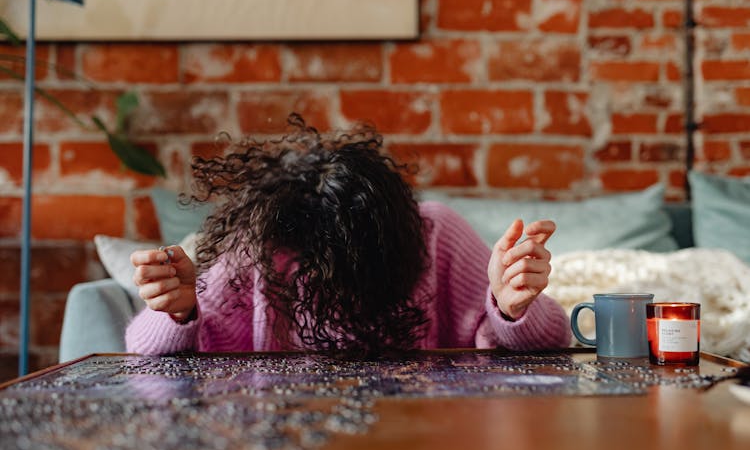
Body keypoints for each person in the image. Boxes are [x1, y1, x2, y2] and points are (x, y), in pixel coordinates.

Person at [126, 114, 571, 355]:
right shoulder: (261, 244)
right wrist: (178, 314)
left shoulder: (436, 233)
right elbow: (145, 352)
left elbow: (550, 342)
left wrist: (513, 311)